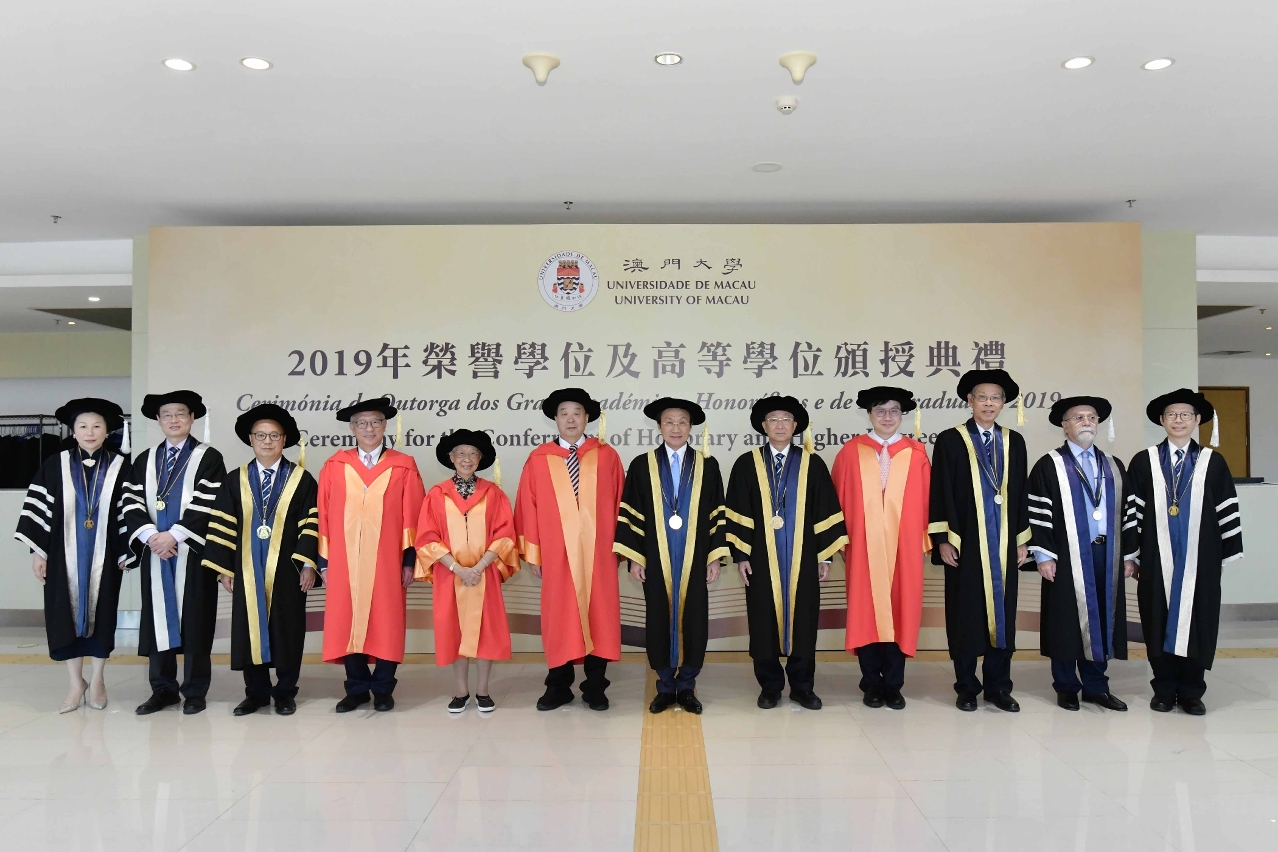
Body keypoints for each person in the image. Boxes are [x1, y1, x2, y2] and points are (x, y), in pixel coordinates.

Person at [1124, 389, 1242, 715]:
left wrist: (1222, 555)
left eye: (1185, 414)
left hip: (1200, 559)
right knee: (1156, 617)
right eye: (1172, 415)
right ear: (1162, 420)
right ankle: (1163, 689)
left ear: (1197, 420)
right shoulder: (1144, 461)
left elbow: (1226, 508)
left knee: (1199, 618)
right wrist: (1132, 555)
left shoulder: (1213, 462)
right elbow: (1132, 511)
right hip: (1155, 557)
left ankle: (1192, 691)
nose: (1178, 420)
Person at [725, 396, 847, 710]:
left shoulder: (812, 464)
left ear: (795, 426)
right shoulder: (746, 464)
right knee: (762, 619)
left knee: (804, 620)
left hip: (803, 559)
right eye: (773, 419)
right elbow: (737, 510)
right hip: (760, 559)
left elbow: (825, 511)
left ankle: (803, 687)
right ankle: (770, 686)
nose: (780, 425)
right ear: (763, 426)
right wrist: (741, 556)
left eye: (786, 419)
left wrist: (824, 556)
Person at [201, 404, 319, 716]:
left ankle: (285, 692)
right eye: (261, 435)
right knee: (248, 627)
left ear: (285, 440)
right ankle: (255, 693)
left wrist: (308, 564)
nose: (267, 441)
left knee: (288, 628)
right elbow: (223, 523)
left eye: (274, 435)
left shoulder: (301, 479)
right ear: (251, 439)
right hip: (246, 569)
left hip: (288, 569)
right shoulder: (235, 479)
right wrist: (224, 569)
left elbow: (312, 522)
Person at [614, 398, 729, 714]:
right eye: (669, 422)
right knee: (657, 618)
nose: (675, 428)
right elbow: (632, 512)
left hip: (695, 557)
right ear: (659, 426)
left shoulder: (707, 466)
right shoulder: (642, 465)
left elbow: (717, 512)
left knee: (695, 619)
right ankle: (665, 685)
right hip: (655, 557)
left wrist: (714, 557)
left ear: (691, 427)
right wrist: (636, 557)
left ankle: (687, 685)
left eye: (682, 422)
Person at [14, 398, 130, 713]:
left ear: (107, 431)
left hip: (106, 555)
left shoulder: (121, 466)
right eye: (83, 426)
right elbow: (39, 510)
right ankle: (76, 682)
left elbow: (129, 510)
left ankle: (99, 679)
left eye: (96, 426)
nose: (89, 432)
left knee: (103, 613)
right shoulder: (56, 464)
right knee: (63, 615)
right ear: (73, 431)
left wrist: (126, 550)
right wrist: (38, 553)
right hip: (60, 555)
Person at [514, 388, 625, 711]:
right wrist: (534, 553)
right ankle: (558, 686)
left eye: (577, 413)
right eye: (564, 413)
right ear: (555, 419)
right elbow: (527, 507)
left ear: (587, 417)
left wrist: (619, 548)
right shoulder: (539, 459)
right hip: (556, 554)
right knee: (559, 617)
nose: (571, 419)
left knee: (600, 615)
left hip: (599, 553)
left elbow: (621, 504)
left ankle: (595, 686)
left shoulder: (607, 455)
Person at [929, 369, 1030, 712]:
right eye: (982, 397)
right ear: (970, 401)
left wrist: (1021, 540)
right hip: (966, 543)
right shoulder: (951, 440)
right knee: (965, 615)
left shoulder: (1014, 442)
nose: (989, 403)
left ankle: (999, 687)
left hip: (1003, 545)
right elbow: (940, 490)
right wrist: (944, 538)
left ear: (1004, 403)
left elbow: (1021, 493)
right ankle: (966, 687)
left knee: (1003, 614)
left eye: (996, 398)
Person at [120, 390, 226, 715]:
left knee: (196, 618)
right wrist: (152, 536)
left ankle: (194, 690)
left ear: (192, 418)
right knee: (157, 619)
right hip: (156, 553)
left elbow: (210, 501)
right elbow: (130, 500)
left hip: (192, 553)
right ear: (158, 420)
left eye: (181, 413)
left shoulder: (208, 458)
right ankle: (163, 689)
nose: (174, 419)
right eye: (167, 414)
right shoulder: (145, 460)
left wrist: (174, 535)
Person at [318, 396, 425, 712]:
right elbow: (323, 515)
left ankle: (383, 688)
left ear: (384, 425)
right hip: (343, 561)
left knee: (387, 620)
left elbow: (413, 517)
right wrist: (324, 562)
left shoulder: (403, 466)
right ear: (352, 428)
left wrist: (409, 561)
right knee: (346, 619)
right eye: (362, 423)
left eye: (375, 422)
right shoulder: (335, 466)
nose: (369, 428)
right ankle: (356, 689)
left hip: (387, 561)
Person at [1027, 396, 1130, 712]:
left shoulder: (1113, 465)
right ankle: (1066, 687)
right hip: (1066, 554)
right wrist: (1044, 556)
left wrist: (1129, 555)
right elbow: (1037, 513)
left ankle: (1097, 687)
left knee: (1101, 618)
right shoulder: (1050, 464)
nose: (1087, 422)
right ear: (1065, 425)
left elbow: (1127, 514)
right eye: (1078, 417)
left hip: (1106, 554)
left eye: (1092, 417)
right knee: (1064, 621)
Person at [831, 387, 931, 710]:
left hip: (905, 549)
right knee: (866, 612)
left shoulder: (917, 453)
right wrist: (842, 541)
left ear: (903, 415)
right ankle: (871, 683)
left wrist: (922, 542)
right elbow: (837, 500)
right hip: (864, 548)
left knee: (902, 611)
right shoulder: (851, 452)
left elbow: (927, 503)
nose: (887, 417)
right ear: (869, 414)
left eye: (894, 411)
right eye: (880, 411)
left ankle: (894, 684)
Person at [416, 429, 520, 713]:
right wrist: (458, 569)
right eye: (460, 453)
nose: (467, 458)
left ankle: (483, 691)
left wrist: (479, 567)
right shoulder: (436, 495)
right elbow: (427, 537)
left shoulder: (493, 493)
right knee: (454, 631)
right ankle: (461, 691)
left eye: (473, 453)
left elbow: (505, 534)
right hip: (450, 575)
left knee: (486, 630)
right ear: (450, 458)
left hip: (485, 573)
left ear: (480, 458)